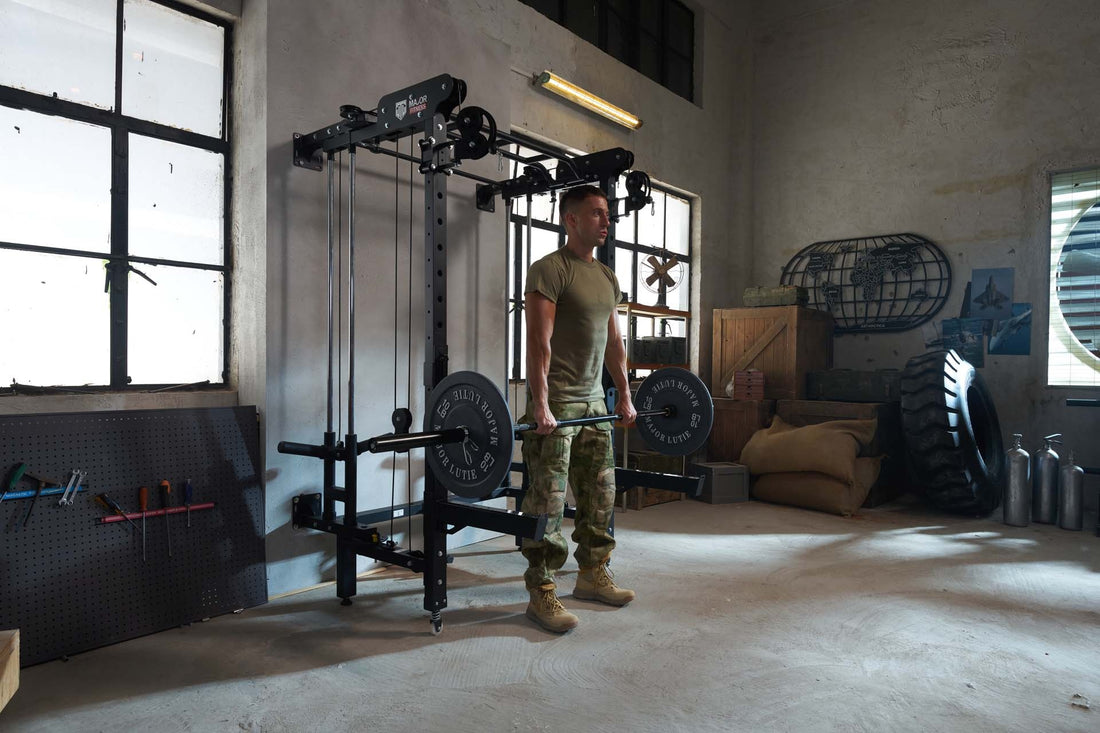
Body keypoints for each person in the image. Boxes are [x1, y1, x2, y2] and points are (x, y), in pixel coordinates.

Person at [520, 184, 637, 633]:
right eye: (596, 214)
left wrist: (623, 393)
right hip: (557, 407)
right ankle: (542, 590)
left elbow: (614, 343)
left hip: (593, 403)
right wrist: (542, 403)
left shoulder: (607, 277)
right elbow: (538, 342)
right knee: (547, 503)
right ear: (571, 220)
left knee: (601, 495)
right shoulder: (549, 270)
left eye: (606, 214)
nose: (605, 221)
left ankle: (591, 574)